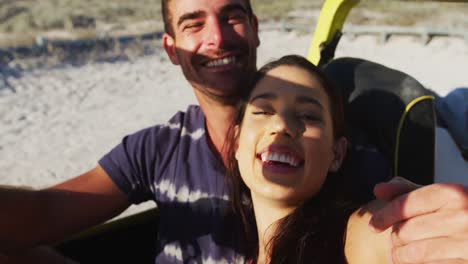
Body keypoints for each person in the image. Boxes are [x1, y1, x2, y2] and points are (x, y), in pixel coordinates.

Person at [1, 0, 467, 263]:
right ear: (171, 48)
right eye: (193, 23)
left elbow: (367, 233)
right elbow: (47, 210)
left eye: (231, 17)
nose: (218, 38)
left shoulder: (342, 165)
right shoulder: (157, 147)